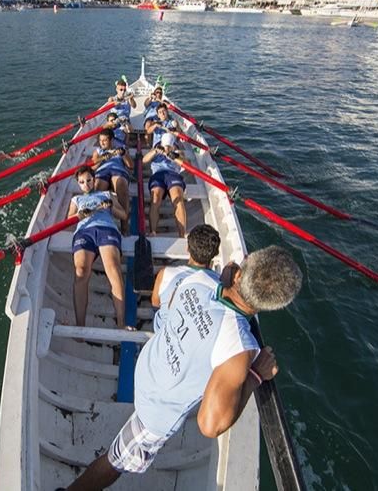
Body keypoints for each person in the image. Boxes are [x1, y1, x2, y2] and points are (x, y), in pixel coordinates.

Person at [60, 245, 303, 491]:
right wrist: (255, 375)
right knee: (115, 462)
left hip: (145, 370)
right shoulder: (239, 349)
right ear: (271, 305)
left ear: (239, 273)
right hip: (155, 413)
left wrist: (229, 277)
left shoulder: (198, 279)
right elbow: (210, 425)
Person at [67, 166, 130, 329]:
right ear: (78, 185)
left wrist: (111, 208)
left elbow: (123, 215)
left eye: (89, 180)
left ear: (94, 180)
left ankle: (121, 323)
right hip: (84, 233)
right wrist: (79, 215)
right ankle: (80, 325)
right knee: (80, 272)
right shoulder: (76, 200)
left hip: (106, 229)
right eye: (82, 182)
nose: (86, 184)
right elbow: (68, 221)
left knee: (114, 269)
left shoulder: (107, 195)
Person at [150, 224, 221, 332]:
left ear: (187, 248)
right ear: (215, 253)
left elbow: (155, 303)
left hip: (161, 331)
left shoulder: (165, 273)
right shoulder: (219, 284)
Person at [142, 132, 188, 237]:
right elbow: (144, 160)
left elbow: (186, 163)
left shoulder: (178, 152)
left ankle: (182, 234)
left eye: (169, 146)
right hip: (158, 175)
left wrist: (175, 156)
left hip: (173, 175)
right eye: (165, 146)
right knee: (156, 198)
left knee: (178, 199)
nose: (166, 148)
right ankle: (153, 231)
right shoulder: (156, 151)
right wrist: (154, 152)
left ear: (173, 145)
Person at [92, 128, 133, 233]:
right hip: (102, 172)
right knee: (97, 187)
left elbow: (131, 165)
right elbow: (92, 167)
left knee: (121, 185)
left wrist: (123, 154)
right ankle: (99, 221)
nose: (102, 143)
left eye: (105, 140)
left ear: (111, 140)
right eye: (100, 140)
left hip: (117, 171)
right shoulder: (98, 151)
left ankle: (124, 226)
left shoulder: (120, 149)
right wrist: (101, 159)